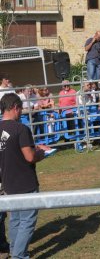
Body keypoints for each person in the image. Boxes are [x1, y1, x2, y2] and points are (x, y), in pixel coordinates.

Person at [0, 93, 50, 258]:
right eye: (20, 109)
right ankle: (19, 256)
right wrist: (41, 154)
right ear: (15, 107)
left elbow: (12, 150)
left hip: (8, 181)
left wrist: (35, 147)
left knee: (15, 220)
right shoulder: (21, 128)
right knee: (27, 221)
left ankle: (15, 252)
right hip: (25, 182)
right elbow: (29, 157)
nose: (21, 113)